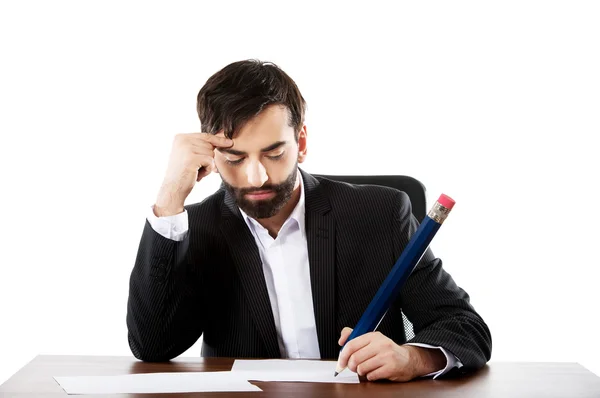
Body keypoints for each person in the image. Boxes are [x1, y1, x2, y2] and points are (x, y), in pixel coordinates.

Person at [126, 59, 492, 382]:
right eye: (235, 158)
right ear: (212, 153)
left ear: (300, 142)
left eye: (273, 153)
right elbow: (153, 346)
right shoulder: (197, 226)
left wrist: (412, 358)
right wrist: (170, 197)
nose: (256, 177)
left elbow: (465, 328)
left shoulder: (380, 215)